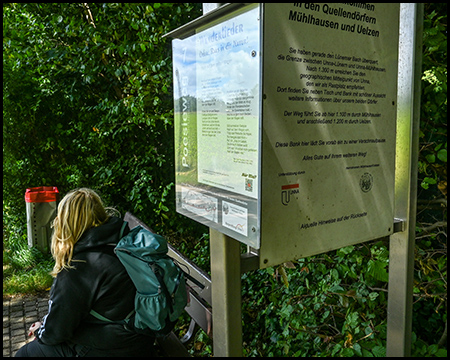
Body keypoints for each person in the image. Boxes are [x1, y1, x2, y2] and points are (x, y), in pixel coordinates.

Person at [15, 188, 156, 357]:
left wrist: (41, 331)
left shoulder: (79, 265)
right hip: (139, 341)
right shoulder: (121, 244)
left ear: (66, 224)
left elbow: (58, 330)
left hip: (112, 348)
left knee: (26, 354)